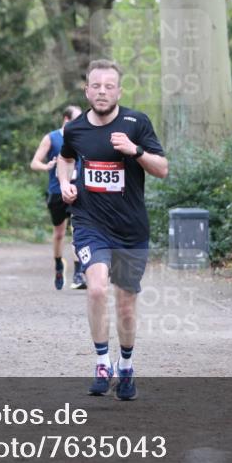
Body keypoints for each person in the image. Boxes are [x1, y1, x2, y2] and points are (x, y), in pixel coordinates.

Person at [57, 59, 167, 400]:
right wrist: (64, 183)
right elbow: (65, 158)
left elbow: (162, 168)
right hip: (90, 223)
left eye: (109, 86)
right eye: (96, 86)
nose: (102, 91)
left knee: (125, 305)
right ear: (87, 90)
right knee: (96, 289)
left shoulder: (137, 123)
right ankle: (102, 361)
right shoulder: (75, 129)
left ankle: (127, 365)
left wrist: (135, 151)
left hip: (131, 229)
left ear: (118, 91)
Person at [31, 105, 84, 290]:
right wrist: (47, 166)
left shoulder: (83, 137)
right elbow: (34, 162)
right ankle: (59, 265)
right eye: (77, 119)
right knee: (59, 234)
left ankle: (79, 273)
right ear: (66, 120)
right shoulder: (52, 138)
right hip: (56, 191)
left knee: (77, 231)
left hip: (78, 190)